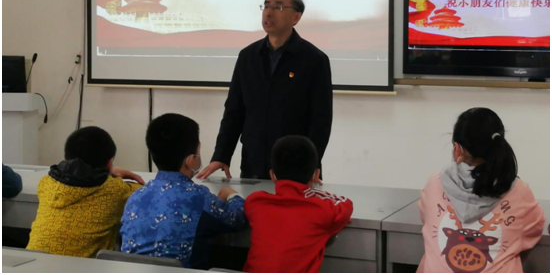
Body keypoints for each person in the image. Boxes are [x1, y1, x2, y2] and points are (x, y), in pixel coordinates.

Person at [198, 0, 333, 181]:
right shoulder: (248, 56)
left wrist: (312, 164)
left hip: (296, 165)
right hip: (253, 161)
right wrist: (221, 155)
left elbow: (321, 120)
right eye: (266, 6)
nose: (268, 13)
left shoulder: (314, 59)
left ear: (296, 17)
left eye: (278, 7)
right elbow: (234, 111)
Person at [417, 107, 545, 273]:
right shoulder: (519, 192)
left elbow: (426, 218)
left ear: (457, 149)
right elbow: (534, 230)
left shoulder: (435, 183)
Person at [120, 113, 247, 269]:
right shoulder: (199, 197)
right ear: (191, 160)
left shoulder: (135, 197)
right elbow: (239, 218)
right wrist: (232, 195)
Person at [27, 126, 144, 257]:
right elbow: (148, 192)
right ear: (109, 162)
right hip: (82, 267)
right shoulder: (115, 190)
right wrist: (113, 173)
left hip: (32, 262)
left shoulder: (46, 183)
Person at [243, 135, 353, 272]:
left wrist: (230, 194)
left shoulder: (255, 202)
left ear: (272, 175)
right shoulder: (322, 210)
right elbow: (346, 204)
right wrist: (312, 193)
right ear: (316, 175)